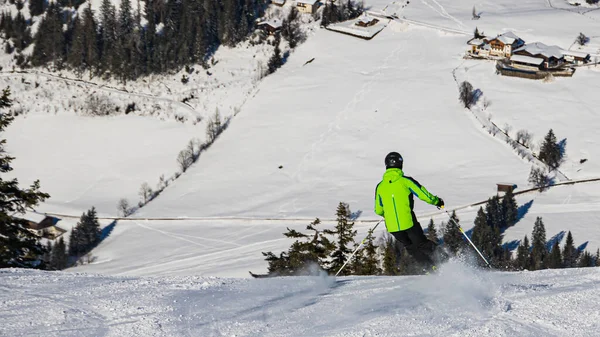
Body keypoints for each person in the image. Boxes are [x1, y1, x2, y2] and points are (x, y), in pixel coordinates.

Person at [374, 152, 445, 271]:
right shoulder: (406, 181)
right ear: (400, 164)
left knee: (411, 248)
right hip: (408, 221)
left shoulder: (380, 186)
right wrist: (437, 201)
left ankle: (431, 269)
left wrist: (387, 213)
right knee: (422, 244)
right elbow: (423, 195)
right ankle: (446, 259)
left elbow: (378, 209)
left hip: (393, 227)